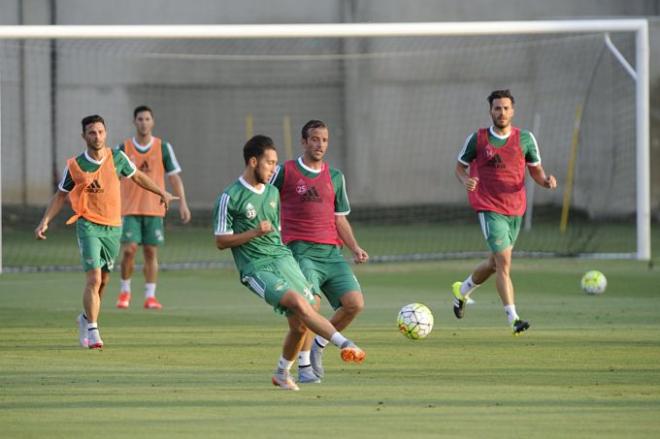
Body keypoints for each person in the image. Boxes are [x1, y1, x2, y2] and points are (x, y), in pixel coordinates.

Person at [213, 134, 366, 391]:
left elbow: (276, 233)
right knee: (297, 302)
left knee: (300, 323)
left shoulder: (272, 193)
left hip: (282, 258)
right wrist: (254, 233)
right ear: (253, 162)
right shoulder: (230, 197)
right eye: (269, 163)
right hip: (256, 267)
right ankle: (345, 343)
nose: (274, 169)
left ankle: (283, 372)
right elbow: (220, 241)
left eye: (275, 163)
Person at [34, 115, 176, 349]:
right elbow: (60, 195)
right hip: (87, 224)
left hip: (113, 227)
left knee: (104, 281)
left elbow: (138, 176)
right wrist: (44, 221)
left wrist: (161, 192)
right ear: (84, 136)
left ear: (105, 133)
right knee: (94, 278)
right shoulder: (75, 165)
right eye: (92, 132)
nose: (97, 136)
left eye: (100, 132)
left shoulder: (117, 158)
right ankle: (94, 331)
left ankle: (85, 318)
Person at [269, 120, 368, 384]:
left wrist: (355, 247)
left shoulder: (335, 176)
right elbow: (263, 194)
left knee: (354, 304)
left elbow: (340, 219)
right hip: (300, 250)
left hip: (332, 254)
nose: (320, 144)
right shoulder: (286, 171)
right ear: (304, 142)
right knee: (310, 305)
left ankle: (318, 347)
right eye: (314, 139)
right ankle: (303, 367)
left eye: (324, 140)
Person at [452, 89, 557, 335]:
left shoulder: (526, 139)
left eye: (506, 108)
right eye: (497, 108)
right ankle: (513, 318)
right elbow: (459, 167)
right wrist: (465, 179)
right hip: (488, 207)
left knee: (493, 264)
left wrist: (546, 181)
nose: (502, 112)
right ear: (491, 111)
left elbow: (536, 170)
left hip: (515, 209)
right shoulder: (477, 139)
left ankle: (462, 290)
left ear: (513, 110)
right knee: (504, 263)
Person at [115, 105, 191, 310]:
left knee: (150, 252)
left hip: (154, 209)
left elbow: (174, 177)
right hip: (129, 208)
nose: (144, 122)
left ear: (153, 122)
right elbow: (112, 176)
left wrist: (182, 202)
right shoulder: (123, 148)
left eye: (147, 119)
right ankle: (125, 291)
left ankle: (150, 296)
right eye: (140, 119)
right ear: (134, 122)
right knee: (129, 250)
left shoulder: (163, 147)